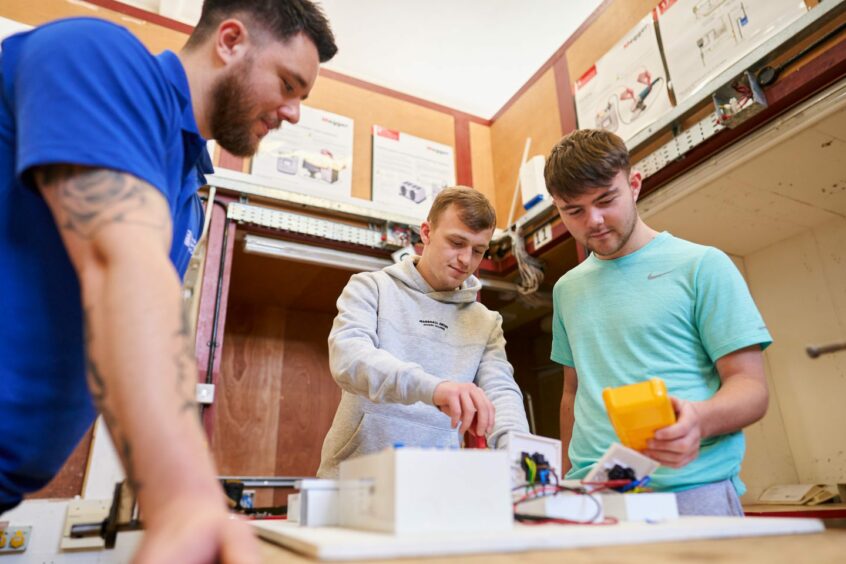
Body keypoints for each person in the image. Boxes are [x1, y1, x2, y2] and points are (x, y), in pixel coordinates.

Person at [0, 1, 336, 561]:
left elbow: (140, 335)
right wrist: (182, 499)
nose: (294, 113)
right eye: (288, 83)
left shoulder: (187, 187)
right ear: (230, 41)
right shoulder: (99, 56)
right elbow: (117, 266)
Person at [544, 129, 771, 516]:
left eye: (605, 200)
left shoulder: (702, 265)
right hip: (596, 498)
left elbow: (751, 388)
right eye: (574, 210)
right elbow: (572, 394)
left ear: (633, 185)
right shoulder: (567, 289)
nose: (593, 221)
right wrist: (566, 485)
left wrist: (698, 419)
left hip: (692, 492)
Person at [317, 187, 529, 478]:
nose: (466, 260)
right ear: (426, 233)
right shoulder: (371, 287)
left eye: (478, 251)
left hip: (434, 485)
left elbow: (501, 392)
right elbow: (350, 360)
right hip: (353, 480)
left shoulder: (486, 322)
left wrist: (519, 456)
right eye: (457, 243)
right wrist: (435, 389)